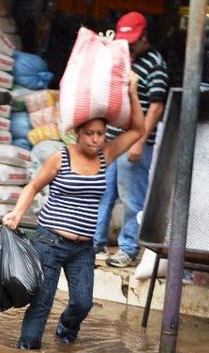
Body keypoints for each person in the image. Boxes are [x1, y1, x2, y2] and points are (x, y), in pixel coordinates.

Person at [1, 73, 144, 350]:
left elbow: (137, 130)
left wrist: (133, 91)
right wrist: (17, 213)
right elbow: (32, 186)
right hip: (50, 241)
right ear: (77, 133)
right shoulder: (60, 156)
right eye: (89, 134)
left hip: (83, 248)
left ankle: (66, 328)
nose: (95, 139)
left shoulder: (106, 156)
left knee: (83, 302)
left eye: (100, 134)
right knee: (42, 303)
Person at [94, 11, 169, 268]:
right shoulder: (124, 58)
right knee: (102, 193)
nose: (129, 45)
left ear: (144, 36)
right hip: (113, 142)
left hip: (135, 143)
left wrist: (139, 140)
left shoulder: (156, 63)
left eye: (133, 40)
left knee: (132, 199)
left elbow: (157, 107)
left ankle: (128, 248)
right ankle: (95, 243)